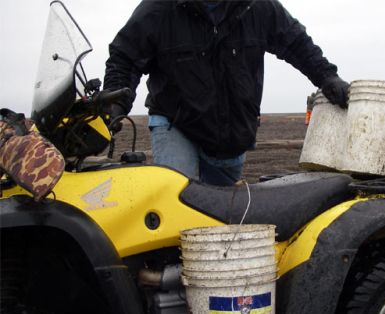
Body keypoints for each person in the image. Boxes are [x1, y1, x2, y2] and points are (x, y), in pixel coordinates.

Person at [104, 0, 349, 186]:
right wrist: (115, 104)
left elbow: (296, 43)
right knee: (176, 199)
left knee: (221, 213)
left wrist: (327, 77)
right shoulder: (160, 9)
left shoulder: (258, 7)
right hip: (175, 123)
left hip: (232, 130)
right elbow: (124, 56)